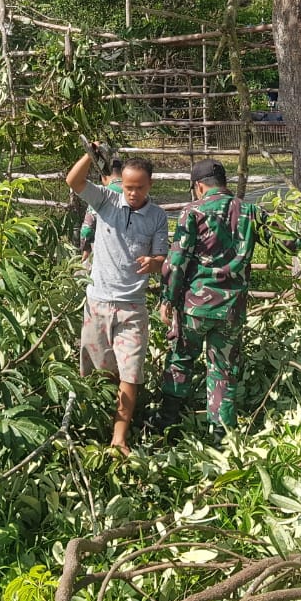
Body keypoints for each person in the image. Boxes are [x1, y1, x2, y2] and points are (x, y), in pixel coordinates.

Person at [150, 159, 273, 445]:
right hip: (231, 309)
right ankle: (221, 437)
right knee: (223, 372)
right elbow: (283, 239)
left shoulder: (192, 211)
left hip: (195, 306)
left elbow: (176, 261)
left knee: (180, 359)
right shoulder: (251, 211)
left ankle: (166, 424)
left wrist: (167, 298)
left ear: (199, 187)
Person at [66, 147, 169, 455]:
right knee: (98, 371)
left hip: (132, 307)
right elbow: (73, 181)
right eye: (128, 187)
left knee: (131, 372)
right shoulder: (106, 201)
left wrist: (154, 262)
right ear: (120, 184)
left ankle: (119, 437)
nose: (133, 193)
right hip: (97, 302)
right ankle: (94, 425)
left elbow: (163, 257)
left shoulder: (158, 217)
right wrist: (88, 154)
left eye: (139, 187)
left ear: (150, 185)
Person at [79, 158, 123, 262]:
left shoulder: (102, 194)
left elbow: (87, 228)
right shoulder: (138, 194)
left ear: (104, 176)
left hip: (104, 250)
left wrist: (86, 249)